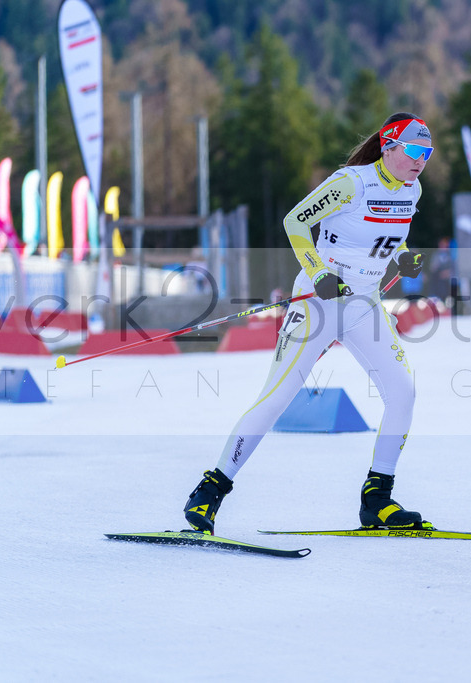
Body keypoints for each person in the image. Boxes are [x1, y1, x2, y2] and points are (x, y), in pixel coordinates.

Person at [184, 113, 433, 534]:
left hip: (363, 304)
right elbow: (296, 221)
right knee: (278, 397)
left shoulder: (412, 188)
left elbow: (391, 233)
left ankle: (377, 499)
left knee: (404, 391)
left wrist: (402, 256)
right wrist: (318, 272)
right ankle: (211, 490)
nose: (420, 160)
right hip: (319, 302)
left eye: (426, 152)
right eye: (412, 150)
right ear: (389, 146)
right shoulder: (351, 183)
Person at [427, 236, 455, 305]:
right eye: (442, 245)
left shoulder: (451, 255)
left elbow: (454, 267)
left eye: (445, 245)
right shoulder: (436, 255)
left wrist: (448, 273)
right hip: (438, 280)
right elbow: (432, 268)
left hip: (448, 280)